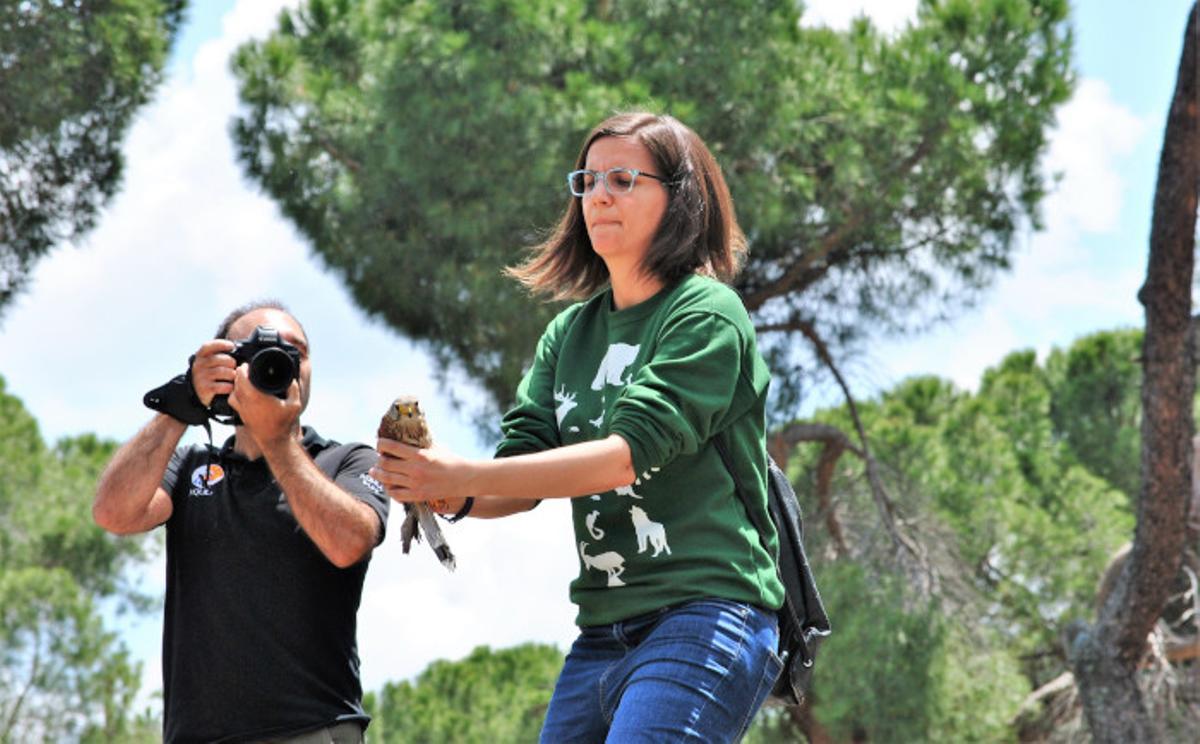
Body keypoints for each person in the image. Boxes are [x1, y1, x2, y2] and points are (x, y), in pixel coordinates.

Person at [372, 112, 784, 742]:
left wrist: (461, 474)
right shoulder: (568, 334)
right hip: (601, 635)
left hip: (706, 615)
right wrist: (437, 487)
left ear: (681, 199)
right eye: (587, 181)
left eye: (623, 179)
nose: (598, 196)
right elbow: (520, 478)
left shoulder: (707, 313)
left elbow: (625, 456)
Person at [93, 301, 388, 744]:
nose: (284, 362)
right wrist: (182, 404)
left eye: (298, 353)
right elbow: (114, 512)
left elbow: (349, 543)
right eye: (257, 352)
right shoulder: (192, 463)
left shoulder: (347, 460)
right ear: (227, 365)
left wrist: (278, 443)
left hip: (313, 729)